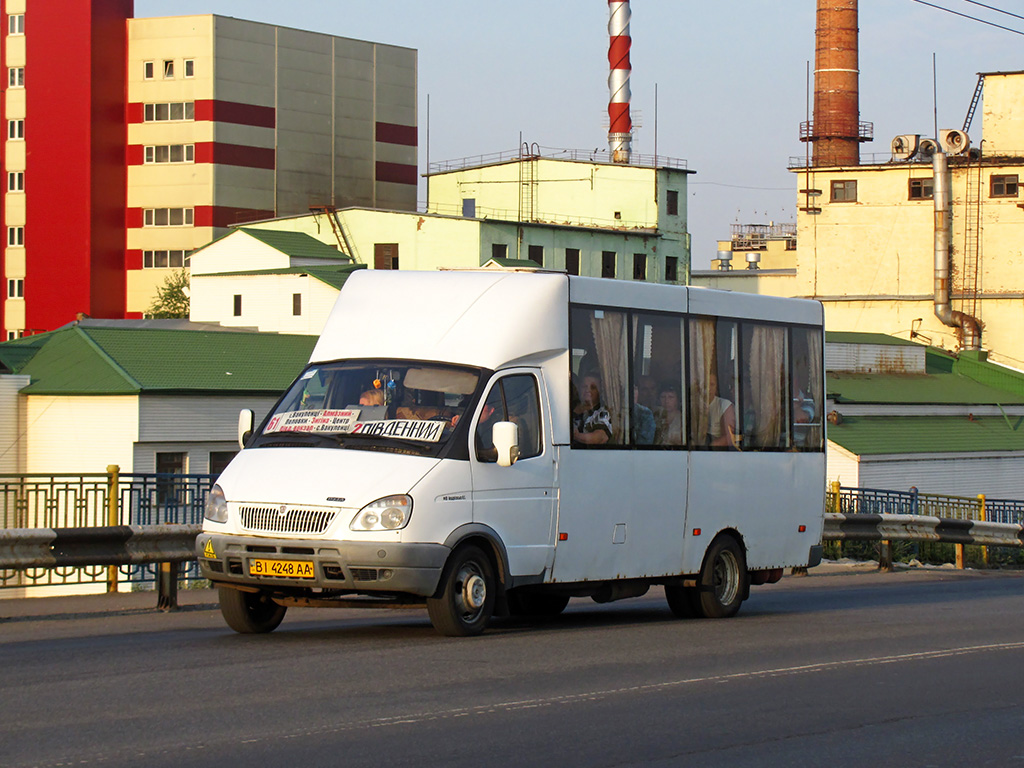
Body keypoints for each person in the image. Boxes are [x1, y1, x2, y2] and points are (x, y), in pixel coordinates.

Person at [573, 372, 612, 445]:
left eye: (593, 387)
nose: (588, 390)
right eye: (584, 386)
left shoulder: (602, 413)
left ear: (599, 391)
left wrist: (575, 435)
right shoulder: (568, 407)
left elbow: (600, 438)